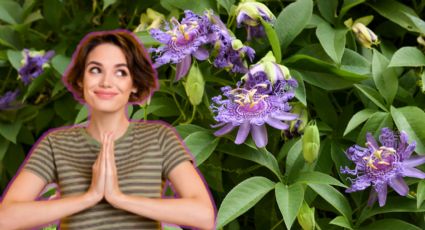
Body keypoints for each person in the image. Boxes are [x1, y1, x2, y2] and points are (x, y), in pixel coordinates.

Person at [0, 30, 216, 230]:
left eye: (121, 72)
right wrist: (89, 197)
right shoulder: (55, 144)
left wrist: (118, 198)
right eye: (95, 70)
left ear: (135, 83)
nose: (106, 82)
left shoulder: (160, 138)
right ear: (80, 79)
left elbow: (203, 215)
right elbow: (6, 218)